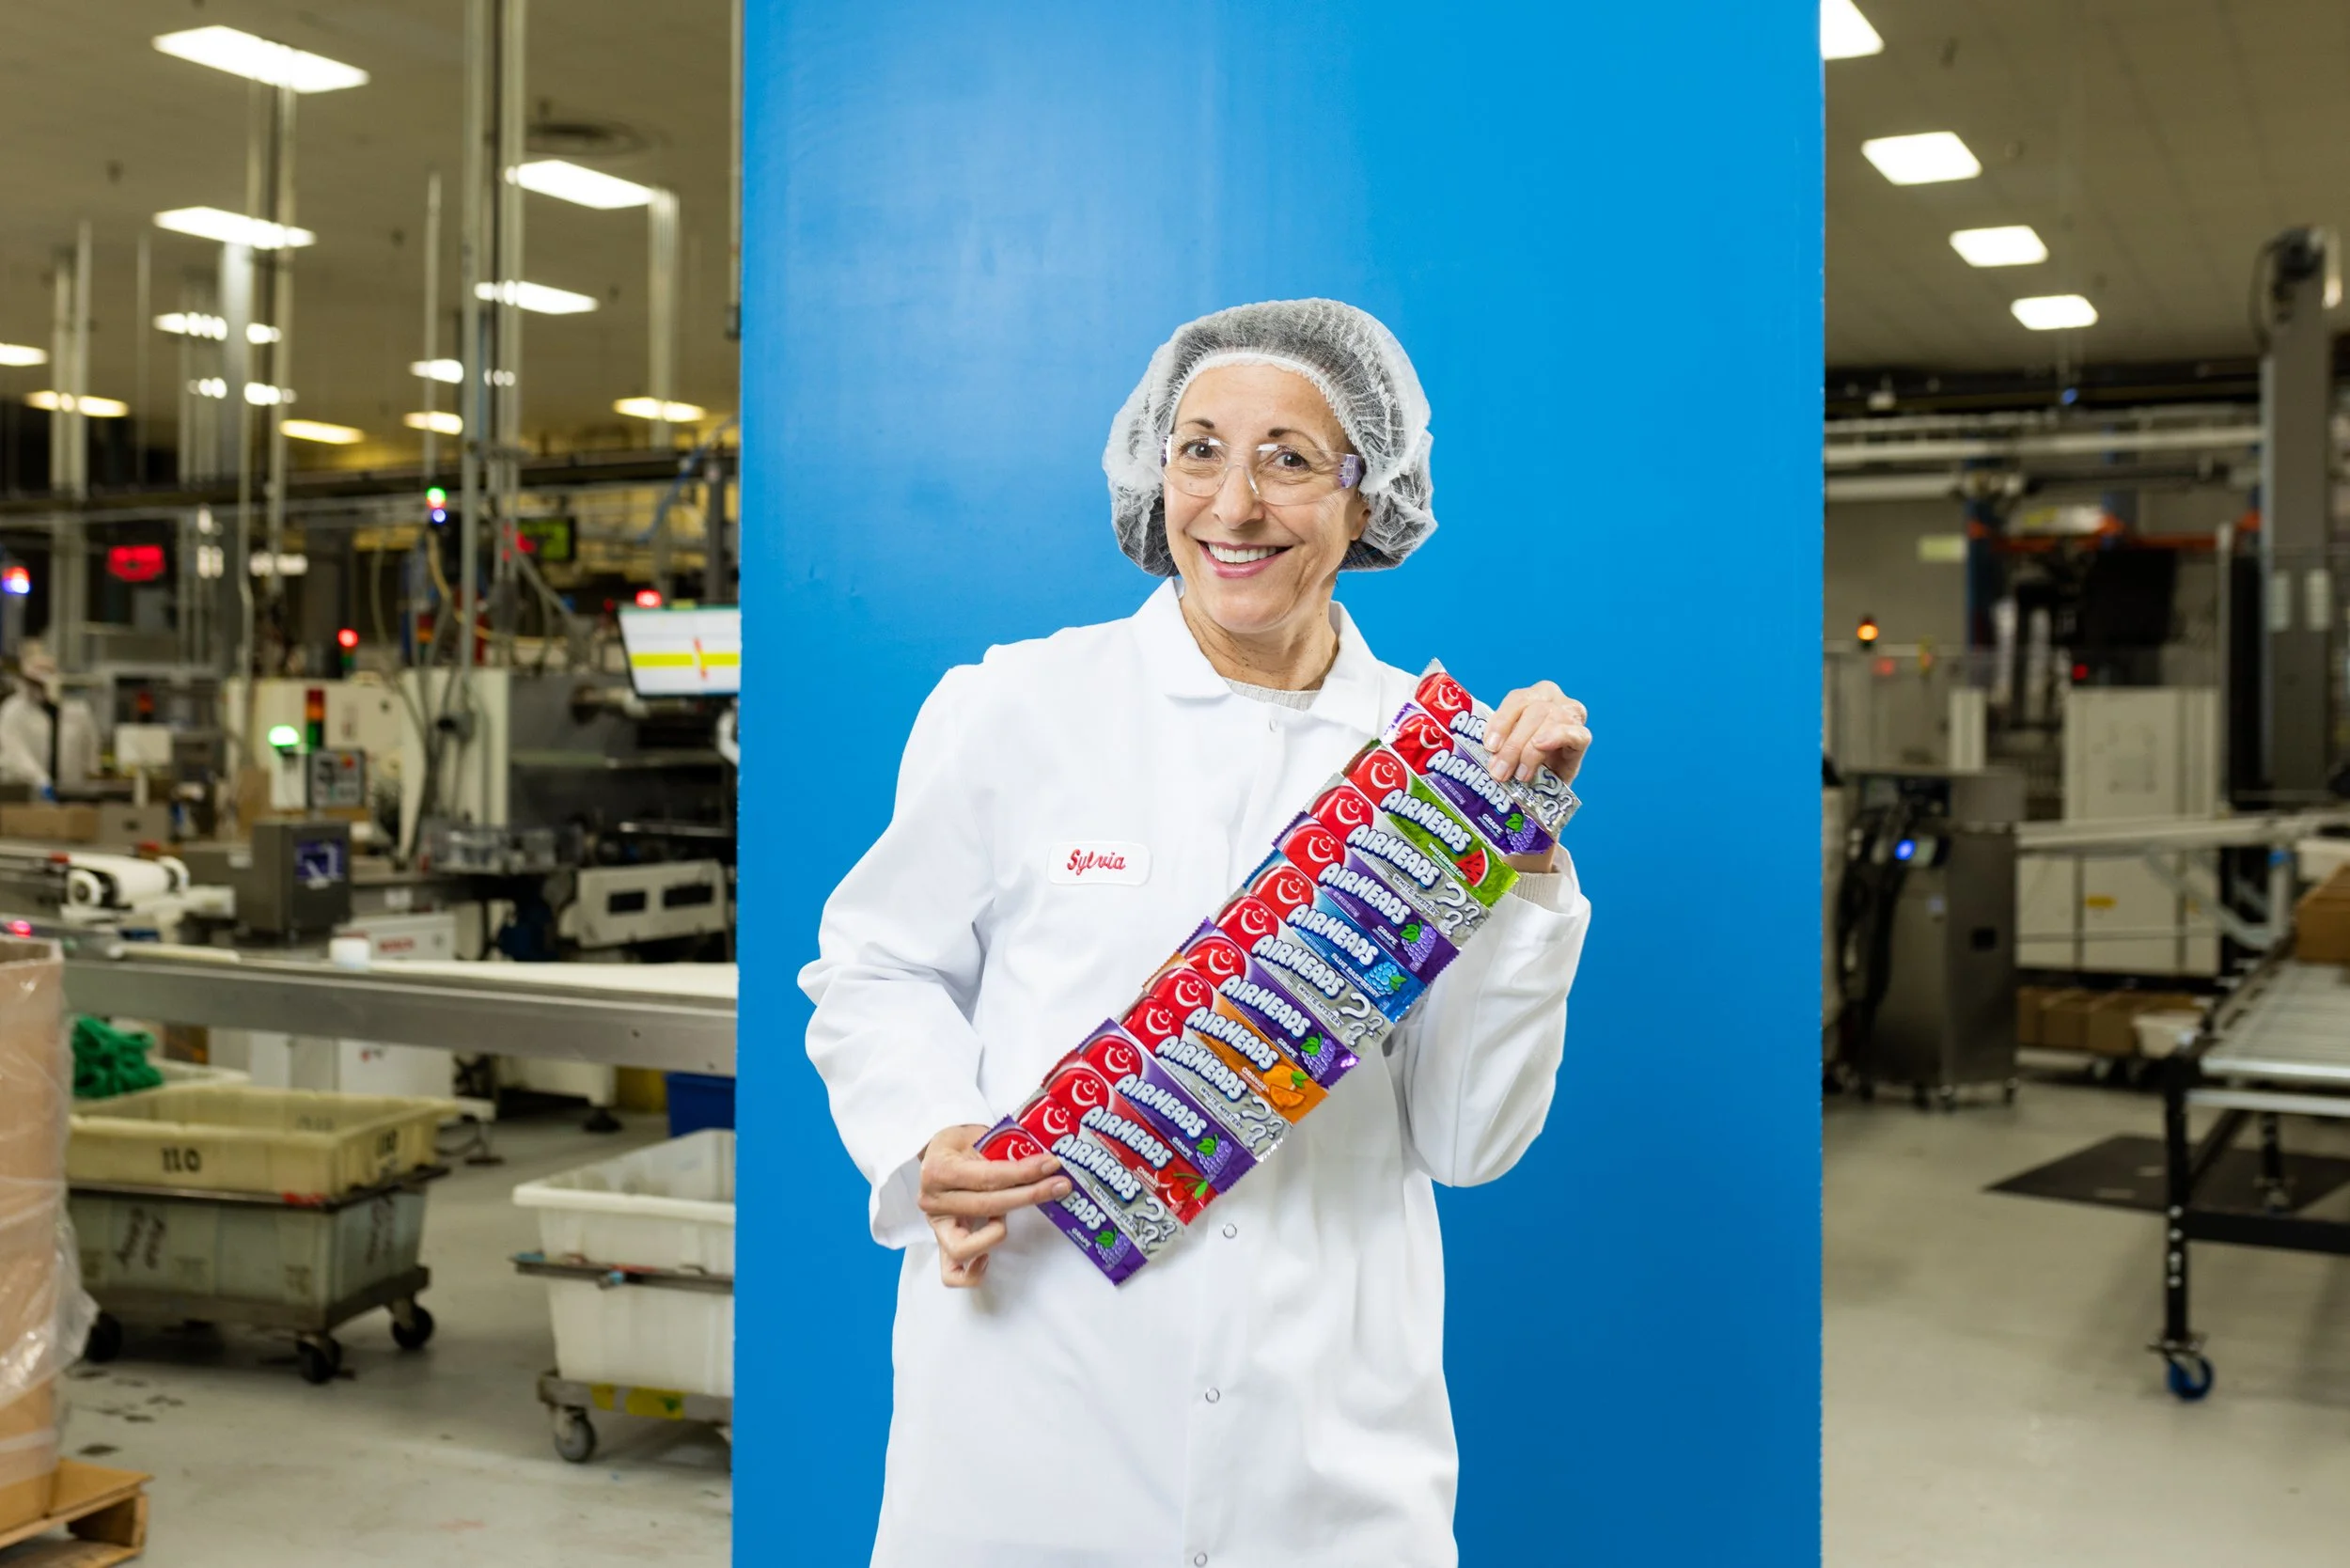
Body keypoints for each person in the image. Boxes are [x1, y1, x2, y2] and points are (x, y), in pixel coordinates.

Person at [801, 299, 1593, 1567]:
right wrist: (922, 1137)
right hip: (1030, 1405)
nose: (1232, 507)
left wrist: (1526, 870)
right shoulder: (1017, 706)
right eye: (1199, 450)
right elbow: (878, 968)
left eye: (1289, 458)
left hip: (1327, 1443)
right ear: (1151, 470)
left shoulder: (1438, 772)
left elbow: (1468, 1143)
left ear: (1367, 492)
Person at [0, 640, 98, 794]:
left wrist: (92, 773)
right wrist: (41, 780)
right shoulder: (13, 710)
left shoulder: (77, 710)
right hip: (24, 789)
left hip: (70, 788)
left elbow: (89, 747)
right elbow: (16, 753)